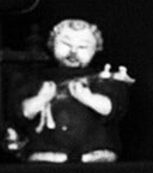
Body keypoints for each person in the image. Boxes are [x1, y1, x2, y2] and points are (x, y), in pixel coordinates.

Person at [7, 19, 134, 163]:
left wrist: (88, 98)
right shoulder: (37, 79)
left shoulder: (102, 80)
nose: (73, 51)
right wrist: (41, 98)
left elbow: (112, 109)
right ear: (52, 44)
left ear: (96, 49)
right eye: (66, 44)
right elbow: (22, 113)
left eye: (83, 47)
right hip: (48, 153)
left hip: (93, 153)